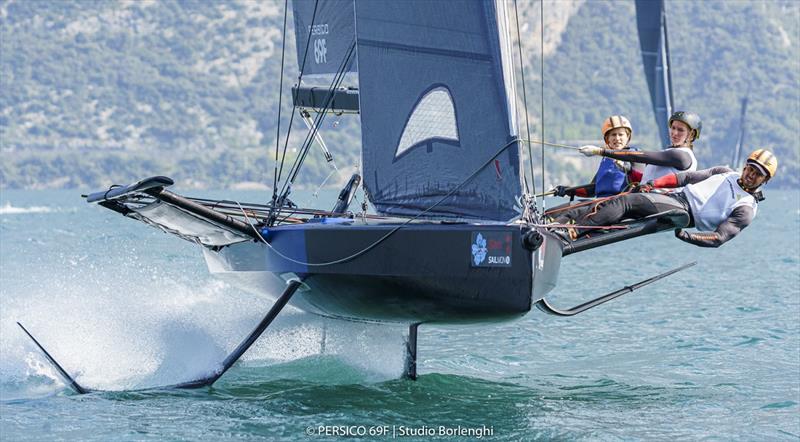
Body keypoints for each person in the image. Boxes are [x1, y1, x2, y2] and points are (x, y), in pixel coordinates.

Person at [554, 149, 777, 247]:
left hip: (683, 213)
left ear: (764, 181)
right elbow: (686, 177)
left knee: (626, 203)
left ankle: (576, 230)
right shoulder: (725, 172)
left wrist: (689, 237)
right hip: (674, 198)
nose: (751, 174)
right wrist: (652, 184)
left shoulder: (746, 208)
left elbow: (719, 237)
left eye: (758, 174)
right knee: (617, 200)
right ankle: (556, 221)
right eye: (750, 168)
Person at [576, 111, 701, 184]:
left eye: (680, 130)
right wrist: (565, 191)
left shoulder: (681, 155)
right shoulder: (668, 152)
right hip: (647, 198)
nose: (674, 133)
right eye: (673, 128)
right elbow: (593, 188)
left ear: (691, 134)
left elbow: (641, 156)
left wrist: (600, 151)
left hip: (658, 202)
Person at [552, 115, 643, 198]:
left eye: (621, 134)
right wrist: (569, 190)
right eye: (613, 135)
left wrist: (626, 168)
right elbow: (591, 190)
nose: (617, 138)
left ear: (628, 137)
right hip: (601, 203)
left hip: (622, 203)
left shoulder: (634, 155)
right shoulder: (606, 159)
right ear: (607, 139)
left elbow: (639, 180)